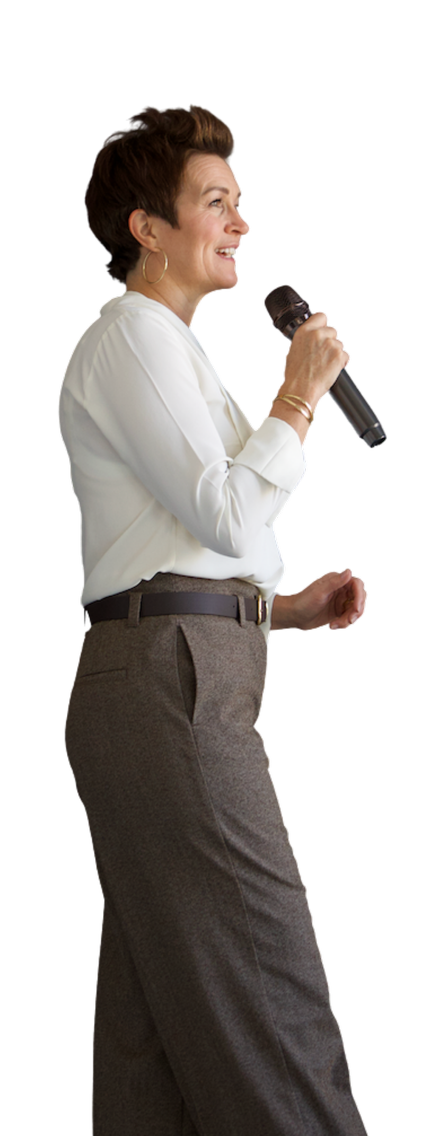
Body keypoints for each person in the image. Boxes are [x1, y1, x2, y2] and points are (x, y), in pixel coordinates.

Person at [59, 104, 369, 1135]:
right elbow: (231, 508)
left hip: (176, 669)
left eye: (241, 201)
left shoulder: (180, 355)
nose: (242, 220)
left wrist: (282, 610)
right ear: (147, 227)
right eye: (217, 201)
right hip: (168, 687)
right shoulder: (129, 340)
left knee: (154, 1040)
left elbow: (189, 546)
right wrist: (294, 398)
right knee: (272, 995)